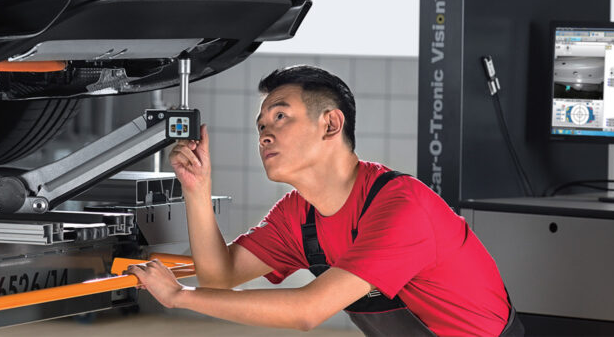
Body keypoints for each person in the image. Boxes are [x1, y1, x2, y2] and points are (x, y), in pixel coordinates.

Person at [127, 65, 523, 336]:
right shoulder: (298, 216)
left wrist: (179, 296)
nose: (264, 134)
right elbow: (220, 278)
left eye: (280, 117)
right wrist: (196, 188)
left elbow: (308, 311)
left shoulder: (402, 207)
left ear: (331, 124)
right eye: (261, 126)